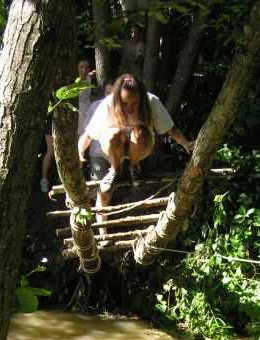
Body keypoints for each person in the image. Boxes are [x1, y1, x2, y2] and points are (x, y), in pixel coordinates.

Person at [78, 74, 196, 199]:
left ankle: (133, 167)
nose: (129, 108)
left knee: (140, 132)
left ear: (141, 99)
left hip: (141, 145)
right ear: (118, 99)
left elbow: (170, 128)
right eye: (124, 103)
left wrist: (185, 143)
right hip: (114, 147)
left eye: (134, 104)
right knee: (114, 134)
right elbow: (88, 134)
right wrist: (79, 153)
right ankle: (114, 170)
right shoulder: (109, 104)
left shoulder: (151, 101)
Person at [40, 57, 94, 193]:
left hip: (84, 116)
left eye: (86, 67)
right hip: (63, 118)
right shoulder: (71, 84)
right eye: (81, 67)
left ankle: (71, 178)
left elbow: (91, 75)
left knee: (77, 148)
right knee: (52, 150)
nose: (84, 70)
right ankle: (44, 178)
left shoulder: (88, 78)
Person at [78, 81, 114, 237]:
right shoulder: (96, 107)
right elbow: (86, 132)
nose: (110, 97)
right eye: (108, 93)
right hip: (97, 153)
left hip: (116, 156)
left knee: (110, 191)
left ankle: (103, 222)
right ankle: (102, 231)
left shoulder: (125, 107)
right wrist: (80, 153)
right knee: (103, 192)